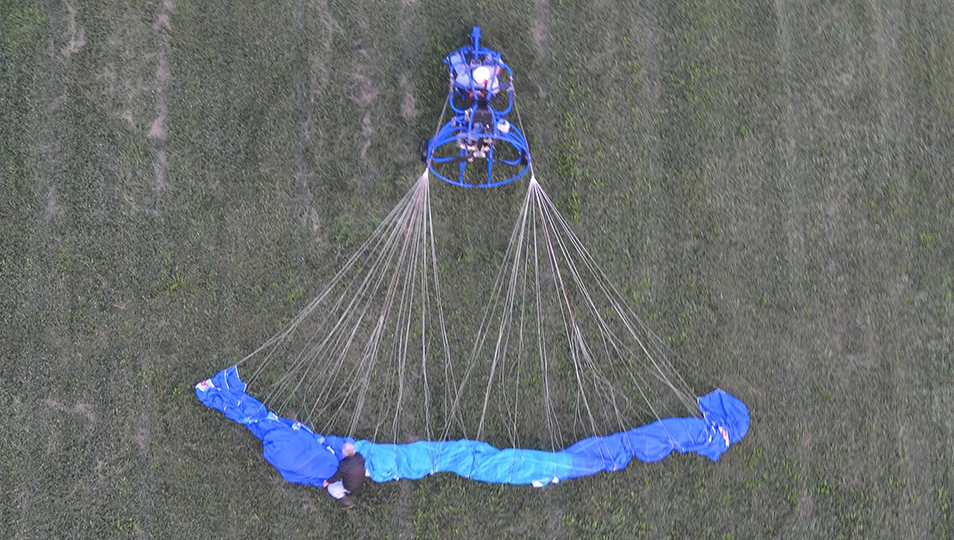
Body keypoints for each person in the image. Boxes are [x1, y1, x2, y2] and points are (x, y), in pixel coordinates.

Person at [322, 442, 366, 509]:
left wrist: (327, 481)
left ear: (344, 453)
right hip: (360, 482)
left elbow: (336, 477)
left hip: (351, 487)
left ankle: (345, 502)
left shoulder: (344, 465)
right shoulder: (360, 457)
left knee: (331, 488)